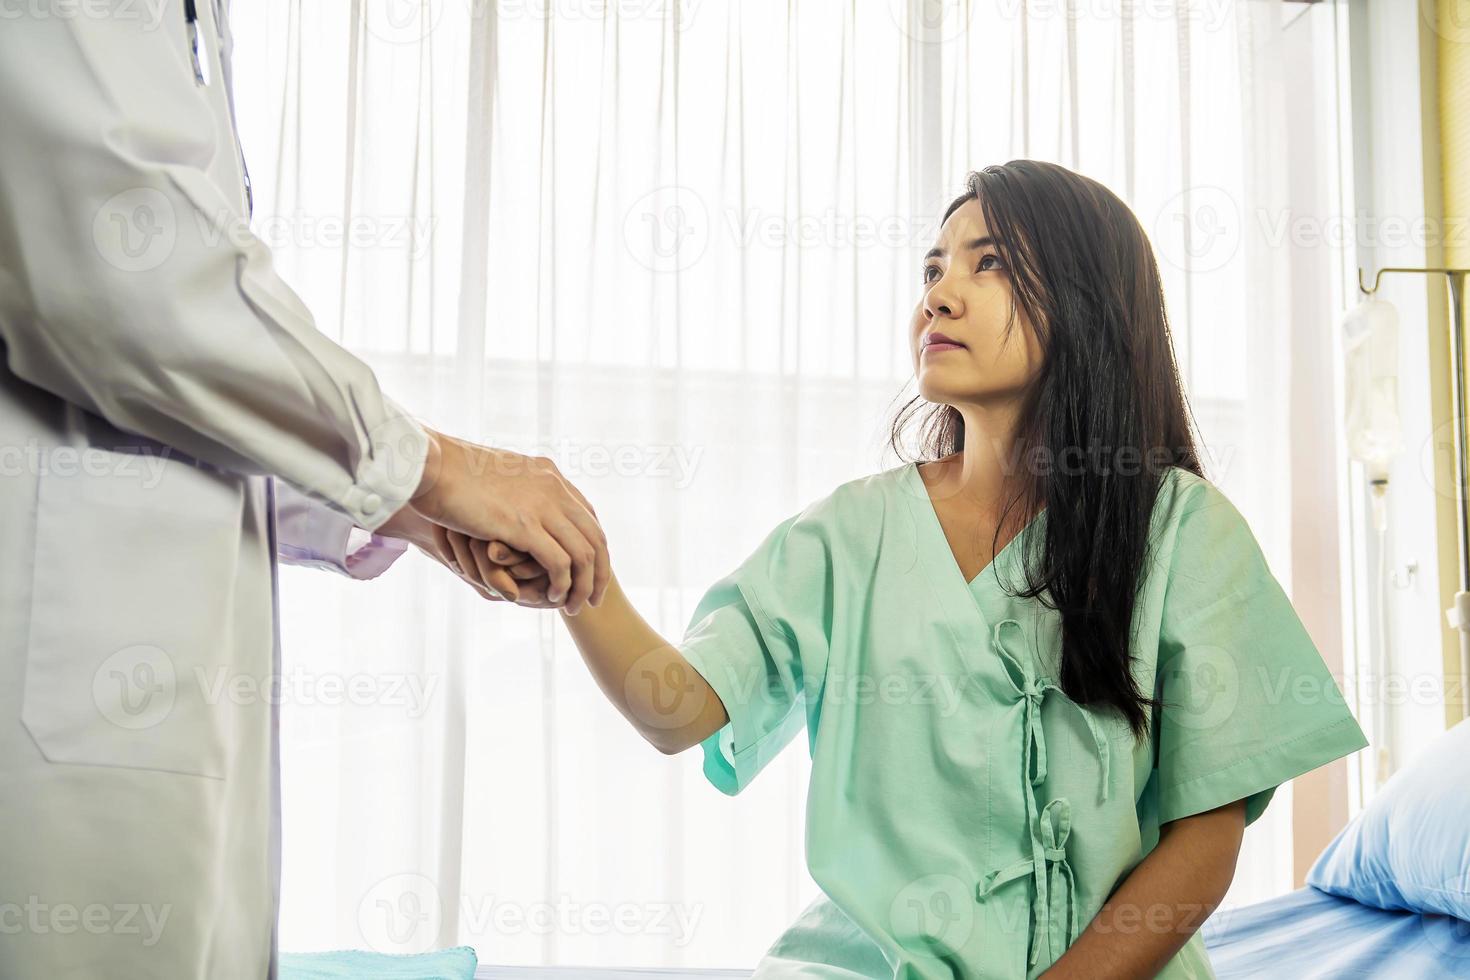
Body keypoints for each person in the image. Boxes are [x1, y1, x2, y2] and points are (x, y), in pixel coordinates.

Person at [451, 161, 1370, 978]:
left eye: (989, 262)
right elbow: (677, 712)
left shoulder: (1182, 531)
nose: (938, 294)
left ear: (1091, 303)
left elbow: (1205, 836)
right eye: (931, 268)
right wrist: (582, 584)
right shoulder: (849, 537)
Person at [0, 5, 605, 978]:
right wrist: (432, 467)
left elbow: (173, 395)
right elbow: (129, 288)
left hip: (151, 718)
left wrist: (408, 501)